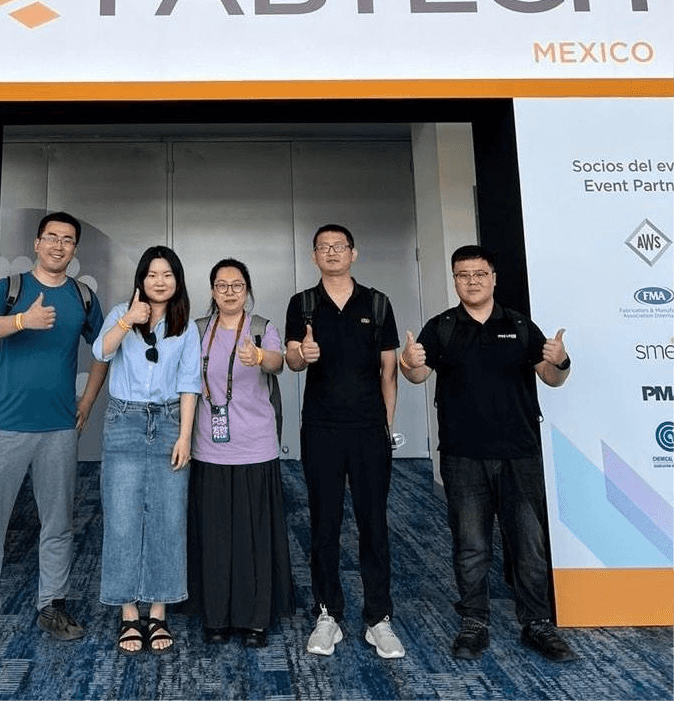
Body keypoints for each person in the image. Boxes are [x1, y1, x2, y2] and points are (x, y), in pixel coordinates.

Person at [399, 244, 577, 663]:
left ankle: (537, 623)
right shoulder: (442, 327)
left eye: (479, 274)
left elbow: (551, 378)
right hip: (463, 456)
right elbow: (418, 374)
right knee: (471, 545)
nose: (472, 281)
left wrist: (562, 360)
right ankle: (474, 621)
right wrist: (408, 362)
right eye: (463, 275)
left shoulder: (519, 325)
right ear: (455, 281)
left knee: (529, 544)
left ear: (493, 278)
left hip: (519, 454)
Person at [0, 211, 108, 658]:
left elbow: (104, 350)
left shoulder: (82, 297)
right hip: (3, 427)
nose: (59, 245)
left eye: (68, 240)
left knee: (58, 524)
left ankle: (52, 606)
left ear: (74, 249)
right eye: (52, 237)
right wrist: (22, 321)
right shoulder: (10, 289)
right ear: (38, 243)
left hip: (59, 429)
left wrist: (87, 403)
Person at [285, 225, 405, 660]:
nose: (332, 252)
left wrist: (385, 427)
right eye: (324, 247)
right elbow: (292, 359)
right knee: (325, 523)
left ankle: (379, 618)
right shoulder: (303, 303)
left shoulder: (377, 303)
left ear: (354, 253)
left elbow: (389, 370)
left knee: (374, 523)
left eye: (339, 247)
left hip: (369, 430)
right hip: (321, 428)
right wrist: (302, 355)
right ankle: (327, 614)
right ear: (314, 256)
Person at [93, 246, 201, 656]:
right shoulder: (122, 312)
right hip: (125, 421)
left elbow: (190, 382)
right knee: (121, 518)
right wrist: (128, 321)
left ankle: (158, 610)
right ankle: (128, 613)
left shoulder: (185, 324)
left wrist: (185, 436)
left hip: (170, 421)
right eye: (152, 274)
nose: (160, 281)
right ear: (141, 279)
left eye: (167, 274)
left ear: (177, 280)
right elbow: (101, 352)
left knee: (167, 518)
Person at [187, 259, 295, 648]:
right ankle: (216, 616)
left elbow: (279, 363)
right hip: (209, 447)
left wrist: (260, 358)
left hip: (255, 447)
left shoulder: (263, 328)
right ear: (212, 291)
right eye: (222, 285)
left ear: (247, 290)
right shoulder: (198, 330)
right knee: (215, 536)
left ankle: (255, 619)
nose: (229, 292)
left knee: (254, 538)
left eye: (237, 285)